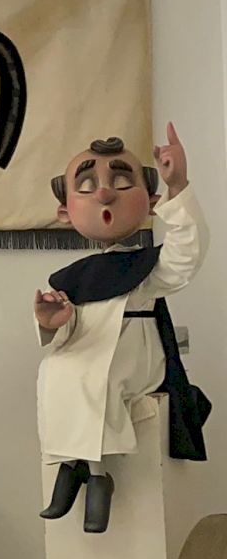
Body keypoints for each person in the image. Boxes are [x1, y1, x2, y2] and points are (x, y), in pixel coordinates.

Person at [36, 124, 209, 533]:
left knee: (97, 377)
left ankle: (97, 476)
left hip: (135, 350)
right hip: (86, 348)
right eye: (87, 186)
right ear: (65, 212)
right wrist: (51, 323)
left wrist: (178, 185)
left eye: (121, 182)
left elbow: (187, 254)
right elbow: (67, 330)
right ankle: (73, 466)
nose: (104, 193)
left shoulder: (145, 267)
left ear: (150, 203)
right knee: (56, 371)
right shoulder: (73, 275)